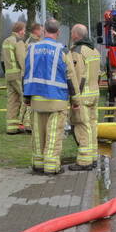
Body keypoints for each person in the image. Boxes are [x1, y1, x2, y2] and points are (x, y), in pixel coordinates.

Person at [23, 18, 81, 175]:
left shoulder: (32, 48)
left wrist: (26, 98)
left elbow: (26, 73)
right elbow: (71, 77)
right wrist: (76, 99)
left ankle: (38, 163)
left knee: (38, 134)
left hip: (36, 99)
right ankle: (51, 166)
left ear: (43, 31)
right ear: (59, 32)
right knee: (54, 135)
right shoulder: (62, 50)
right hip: (57, 100)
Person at [68, 23, 100, 170]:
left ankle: (84, 161)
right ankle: (93, 157)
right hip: (94, 93)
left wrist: (75, 97)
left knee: (82, 126)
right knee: (92, 125)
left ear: (76, 35)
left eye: (71, 33)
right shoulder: (94, 50)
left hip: (83, 95)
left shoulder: (77, 51)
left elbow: (77, 76)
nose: (70, 35)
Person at [1, 22, 27, 134]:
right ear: (20, 30)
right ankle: (28, 125)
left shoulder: (6, 41)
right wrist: (27, 73)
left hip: (8, 75)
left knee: (12, 101)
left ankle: (11, 128)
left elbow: (3, 60)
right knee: (27, 98)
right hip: (18, 75)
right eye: (24, 30)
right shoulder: (18, 41)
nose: (25, 32)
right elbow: (22, 59)